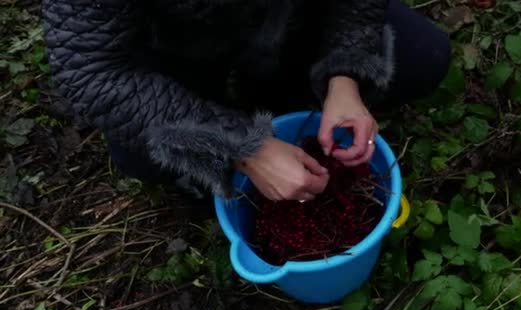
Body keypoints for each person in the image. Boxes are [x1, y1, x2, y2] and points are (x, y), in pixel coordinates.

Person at [41, 0, 451, 202]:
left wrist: (344, 77)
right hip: (182, 51)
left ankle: (291, 98)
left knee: (420, 57)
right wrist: (242, 145)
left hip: (289, 20)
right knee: (145, 157)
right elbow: (91, 69)